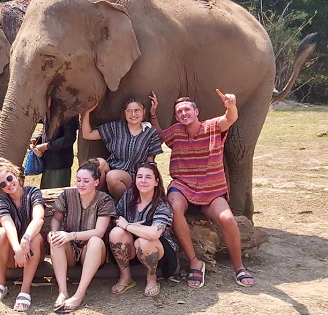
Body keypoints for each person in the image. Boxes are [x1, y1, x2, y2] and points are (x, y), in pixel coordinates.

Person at [149, 90, 255, 288]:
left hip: (211, 188)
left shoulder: (213, 127)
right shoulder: (176, 131)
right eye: (179, 111)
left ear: (196, 111)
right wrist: (153, 115)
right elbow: (160, 135)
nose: (183, 113)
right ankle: (194, 262)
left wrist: (231, 105)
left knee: (227, 218)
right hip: (183, 186)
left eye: (187, 109)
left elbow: (229, 118)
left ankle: (239, 267)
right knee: (174, 207)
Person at [49, 160, 116, 313]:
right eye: (78, 180)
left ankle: (79, 294)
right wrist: (54, 232)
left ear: (96, 182)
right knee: (56, 239)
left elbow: (99, 231)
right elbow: (56, 219)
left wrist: (71, 235)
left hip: (92, 252)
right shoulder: (67, 195)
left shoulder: (104, 200)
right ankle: (63, 291)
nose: (81, 184)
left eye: (86, 181)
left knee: (95, 241)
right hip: (70, 250)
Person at [108, 162, 179, 297]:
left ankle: (152, 279)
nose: (143, 181)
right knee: (116, 232)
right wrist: (121, 223)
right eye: (140, 177)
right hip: (132, 249)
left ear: (156, 182)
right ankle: (126, 276)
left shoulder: (162, 205)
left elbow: (154, 233)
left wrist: (129, 226)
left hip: (159, 252)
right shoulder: (129, 196)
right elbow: (115, 217)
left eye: (148, 177)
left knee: (145, 240)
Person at [0, 158, 46, 312]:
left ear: (16, 175)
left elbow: (38, 219)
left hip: (34, 253)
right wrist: (17, 249)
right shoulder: (1, 200)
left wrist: (25, 240)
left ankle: (25, 290)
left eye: (9, 178)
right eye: (3, 184)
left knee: (36, 237)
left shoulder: (33, 192)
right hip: (13, 256)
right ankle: (1, 283)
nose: (8, 184)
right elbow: (7, 224)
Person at [81, 96, 163, 200]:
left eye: (137, 110)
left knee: (112, 177)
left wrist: (157, 186)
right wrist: (86, 113)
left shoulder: (150, 133)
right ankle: (96, 201)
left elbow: (150, 161)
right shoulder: (116, 128)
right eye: (129, 111)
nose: (133, 114)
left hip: (133, 176)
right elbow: (88, 134)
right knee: (99, 163)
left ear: (144, 111)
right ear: (124, 113)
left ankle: (124, 206)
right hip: (112, 168)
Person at [32, 117, 78, 188]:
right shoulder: (48, 112)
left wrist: (47, 146)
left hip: (60, 164)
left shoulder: (67, 114)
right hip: (47, 163)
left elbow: (69, 139)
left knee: (57, 194)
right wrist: (38, 140)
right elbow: (48, 132)